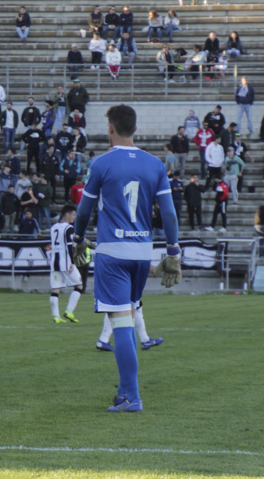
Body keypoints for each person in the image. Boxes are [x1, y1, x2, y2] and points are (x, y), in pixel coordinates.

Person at [72, 105, 180, 412]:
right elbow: (169, 213)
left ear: (110, 128)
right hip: (142, 251)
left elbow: (83, 210)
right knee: (128, 317)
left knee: (119, 322)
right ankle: (123, 391)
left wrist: (78, 240)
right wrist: (173, 251)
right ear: (135, 129)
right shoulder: (155, 164)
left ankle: (132, 397)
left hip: (113, 253)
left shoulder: (101, 163)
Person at [47, 204, 85, 323]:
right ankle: (69, 311)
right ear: (67, 214)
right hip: (66, 262)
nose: (74, 217)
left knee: (55, 289)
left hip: (55, 262)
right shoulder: (68, 228)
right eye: (73, 214)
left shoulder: (53, 227)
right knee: (79, 286)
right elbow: (70, 246)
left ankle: (56, 316)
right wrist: (72, 263)